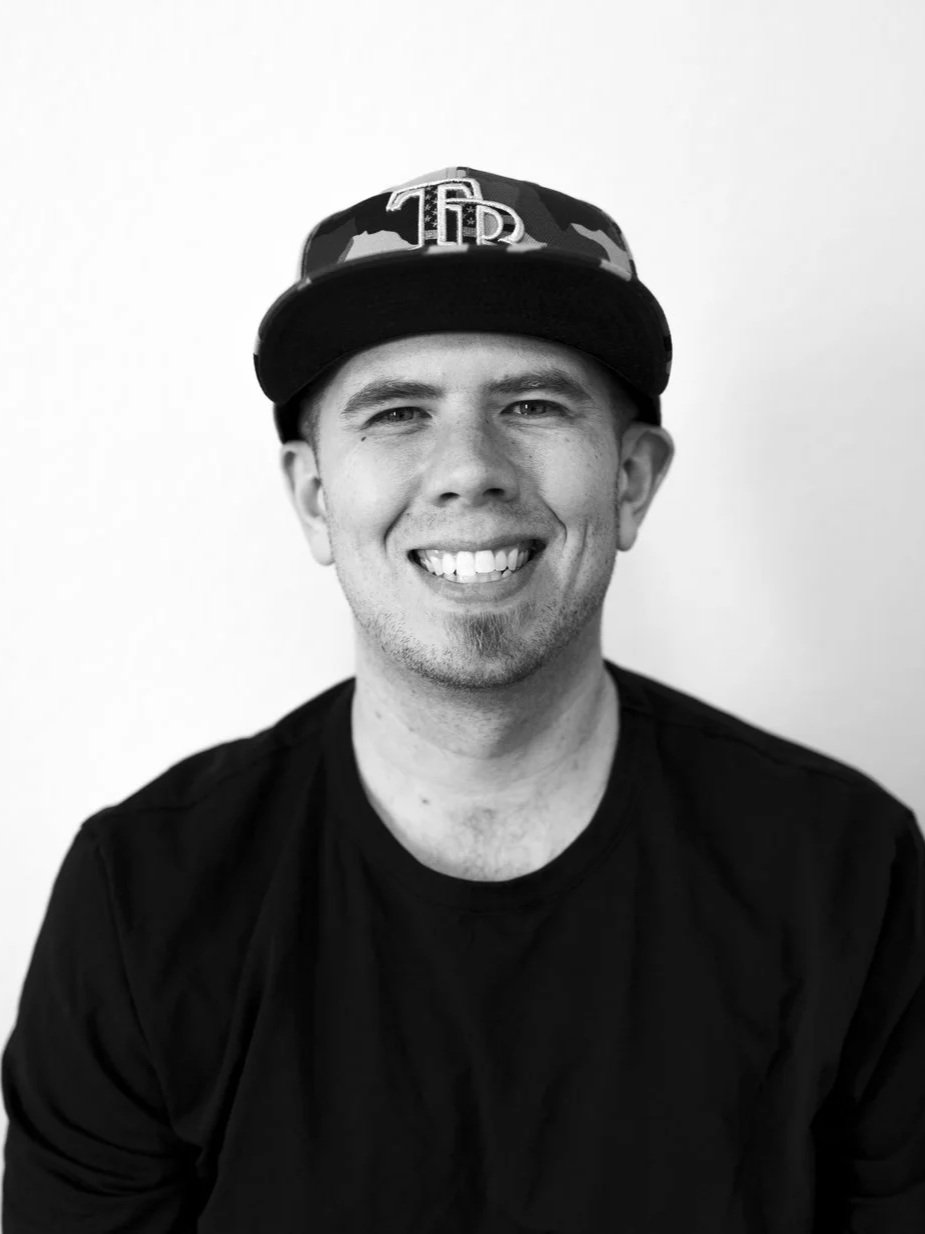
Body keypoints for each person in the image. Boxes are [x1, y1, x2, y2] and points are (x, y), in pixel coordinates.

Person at [2, 166, 923, 1233]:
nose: (468, 470)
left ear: (630, 482)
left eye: (531, 405)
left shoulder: (845, 872)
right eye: (398, 414)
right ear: (314, 497)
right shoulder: (145, 899)